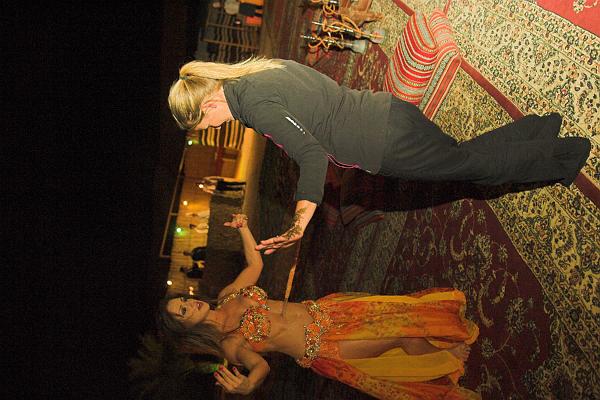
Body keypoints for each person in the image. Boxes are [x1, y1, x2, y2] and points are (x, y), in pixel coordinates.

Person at [168, 58, 591, 255]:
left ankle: (565, 156)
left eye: (207, 125)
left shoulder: (254, 106)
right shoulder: (253, 72)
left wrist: (298, 225)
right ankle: (540, 129)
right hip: (386, 112)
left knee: (477, 171)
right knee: (462, 156)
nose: (213, 128)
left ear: (207, 105)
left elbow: (312, 156)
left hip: (385, 143)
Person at [157, 214, 481, 399]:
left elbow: (255, 264)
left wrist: (243, 228)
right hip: (322, 346)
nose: (190, 304)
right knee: (396, 336)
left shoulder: (228, 294)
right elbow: (260, 367)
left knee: (397, 315)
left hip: (325, 312)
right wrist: (248, 385)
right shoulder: (229, 343)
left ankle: (439, 343)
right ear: (187, 329)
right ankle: (447, 356)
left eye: (183, 300)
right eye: (183, 311)